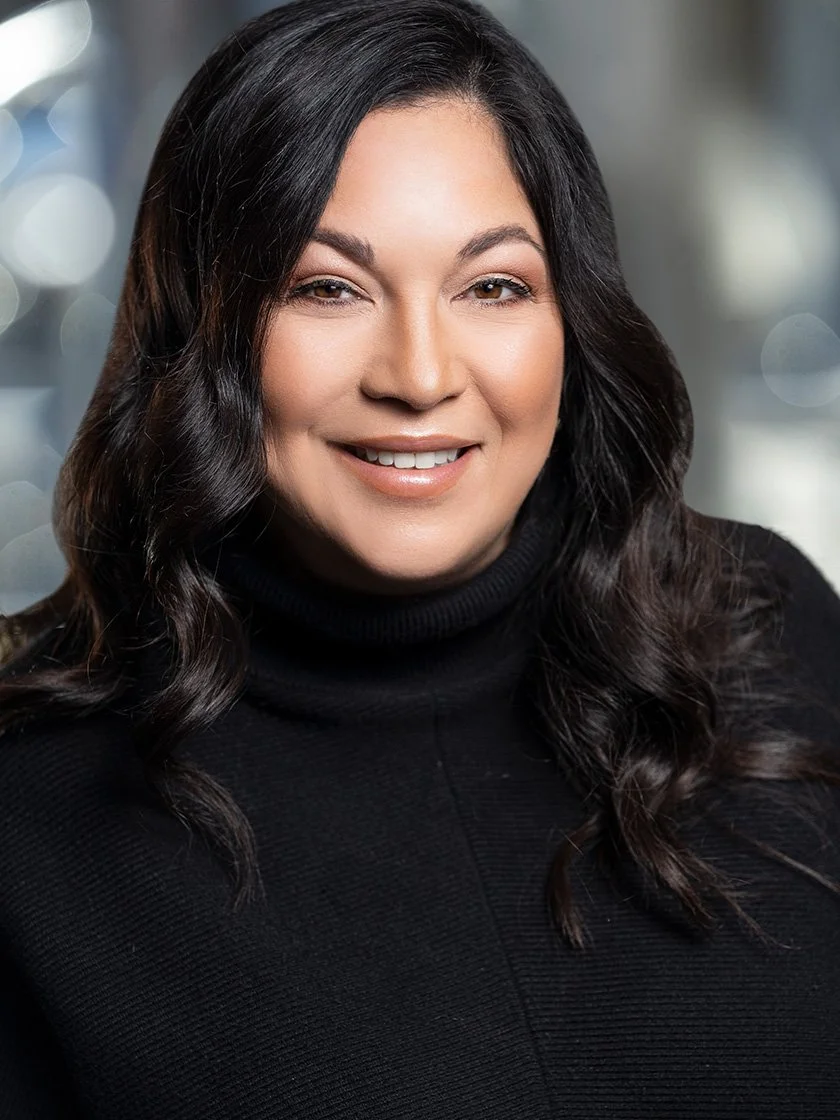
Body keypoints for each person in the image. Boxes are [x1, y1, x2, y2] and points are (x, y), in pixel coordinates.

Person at [1, 0, 839, 1114]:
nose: (420, 372)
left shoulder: (766, 620)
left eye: (492, 285)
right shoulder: (34, 798)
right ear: (204, 330)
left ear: (571, 322)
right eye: (327, 288)